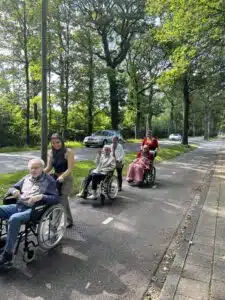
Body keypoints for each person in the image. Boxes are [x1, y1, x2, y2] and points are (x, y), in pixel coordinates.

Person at [0, 158, 59, 267]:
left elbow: (55, 198)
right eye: (32, 168)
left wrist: (41, 196)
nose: (33, 170)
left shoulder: (49, 180)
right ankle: (4, 240)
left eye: (36, 168)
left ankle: (8, 254)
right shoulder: (26, 178)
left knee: (14, 219)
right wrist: (15, 191)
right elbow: (12, 187)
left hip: (33, 210)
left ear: (42, 168)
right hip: (19, 205)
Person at [44, 133, 75, 228]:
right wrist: (40, 173)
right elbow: (49, 167)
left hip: (66, 178)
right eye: (53, 143)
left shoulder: (68, 152)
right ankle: (58, 220)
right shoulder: (50, 152)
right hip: (56, 177)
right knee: (52, 197)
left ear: (62, 141)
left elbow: (70, 169)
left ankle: (63, 222)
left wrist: (62, 177)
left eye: (58, 142)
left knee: (62, 199)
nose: (55, 144)